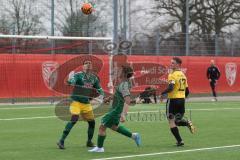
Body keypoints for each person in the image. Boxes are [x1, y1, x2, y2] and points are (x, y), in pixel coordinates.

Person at [88, 65, 141, 152]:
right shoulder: (124, 83)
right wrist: (108, 99)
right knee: (113, 127)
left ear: (124, 73)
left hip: (115, 111)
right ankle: (134, 136)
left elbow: (127, 100)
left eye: (120, 71)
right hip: (114, 109)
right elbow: (117, 94)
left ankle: (100, 148)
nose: (118, 72)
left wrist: (136, 101)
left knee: (102, 127)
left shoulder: (124, 85)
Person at [57, 60, 104, 149]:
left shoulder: (94, 78)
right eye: (86, 63)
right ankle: (61, 141)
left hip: (86, 103)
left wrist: (102, 95)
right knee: (74, 119)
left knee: (92, 123)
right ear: (83, 66)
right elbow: (72, 81)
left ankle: (89, 142)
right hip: (76, 102)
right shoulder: (78, 75)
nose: (88, 64)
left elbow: (99, 88)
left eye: (90, 63)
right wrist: (70, 81)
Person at [160, 57, 195, 146]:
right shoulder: (183, 75)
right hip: (181, 101)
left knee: (171, 121)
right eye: (171, 63)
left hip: (173, 100)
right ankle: (186, 123)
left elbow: (171, 87)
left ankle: (180, 141)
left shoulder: (172, 74)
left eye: (173, 63)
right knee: (177, 121)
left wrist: (162, 93)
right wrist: (182, 98)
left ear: (178, 65)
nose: (171, 64)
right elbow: (187, 91)